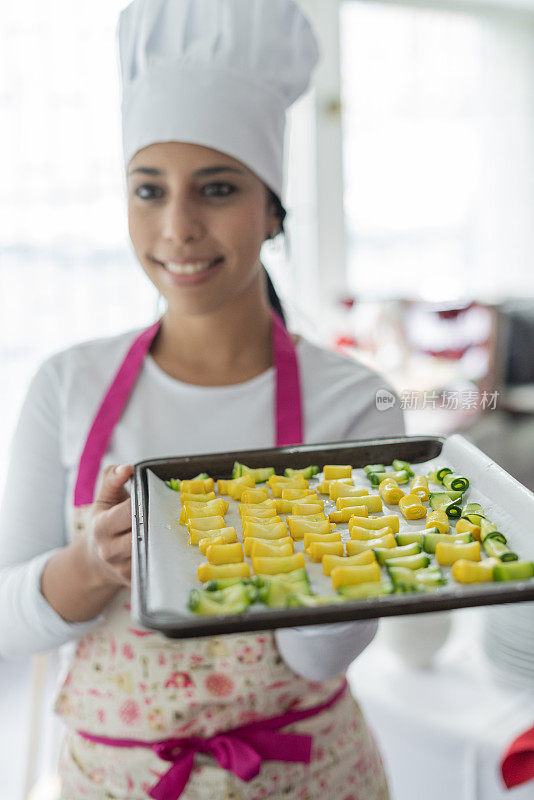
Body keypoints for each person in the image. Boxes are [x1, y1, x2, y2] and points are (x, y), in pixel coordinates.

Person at [0, 1, 404, 798]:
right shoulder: (67, 383)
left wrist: (328, 555)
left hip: (309, 775)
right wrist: (91, 564)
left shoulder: (360, 403)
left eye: (216, 188)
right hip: (114, 780)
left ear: (273, 208)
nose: (177, 227)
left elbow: (320, 658)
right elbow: (9, 622)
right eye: (148, 191)